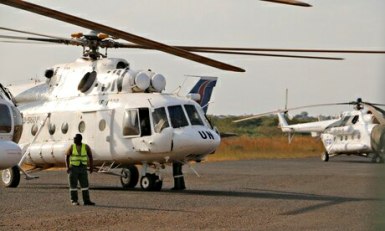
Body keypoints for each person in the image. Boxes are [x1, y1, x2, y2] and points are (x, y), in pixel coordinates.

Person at [65, 134, 95, 206]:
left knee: (85, 185)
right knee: (73, 185)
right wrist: (67, 167)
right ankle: (74, 200)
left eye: (75, 138)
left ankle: (86, 201)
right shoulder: (72, 147)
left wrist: (91, 167)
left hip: (83, 168)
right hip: (73, 168)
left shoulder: (86, 147)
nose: (74, 140)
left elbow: (90, 156)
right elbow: (67, 156)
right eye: (74, 138)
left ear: (80, 139)